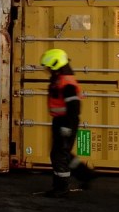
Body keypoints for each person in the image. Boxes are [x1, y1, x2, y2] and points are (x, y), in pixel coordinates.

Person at [40, 48, 96, 197]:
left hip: (66, 121)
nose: (47, 70)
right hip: (61, 121)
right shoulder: (61, 79)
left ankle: (61, 187)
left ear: (56, 65)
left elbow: (74, 107)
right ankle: (85, 174)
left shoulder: (66, 83)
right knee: (62, 153)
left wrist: (66, 127)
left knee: (59, 155)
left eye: (49, 67)